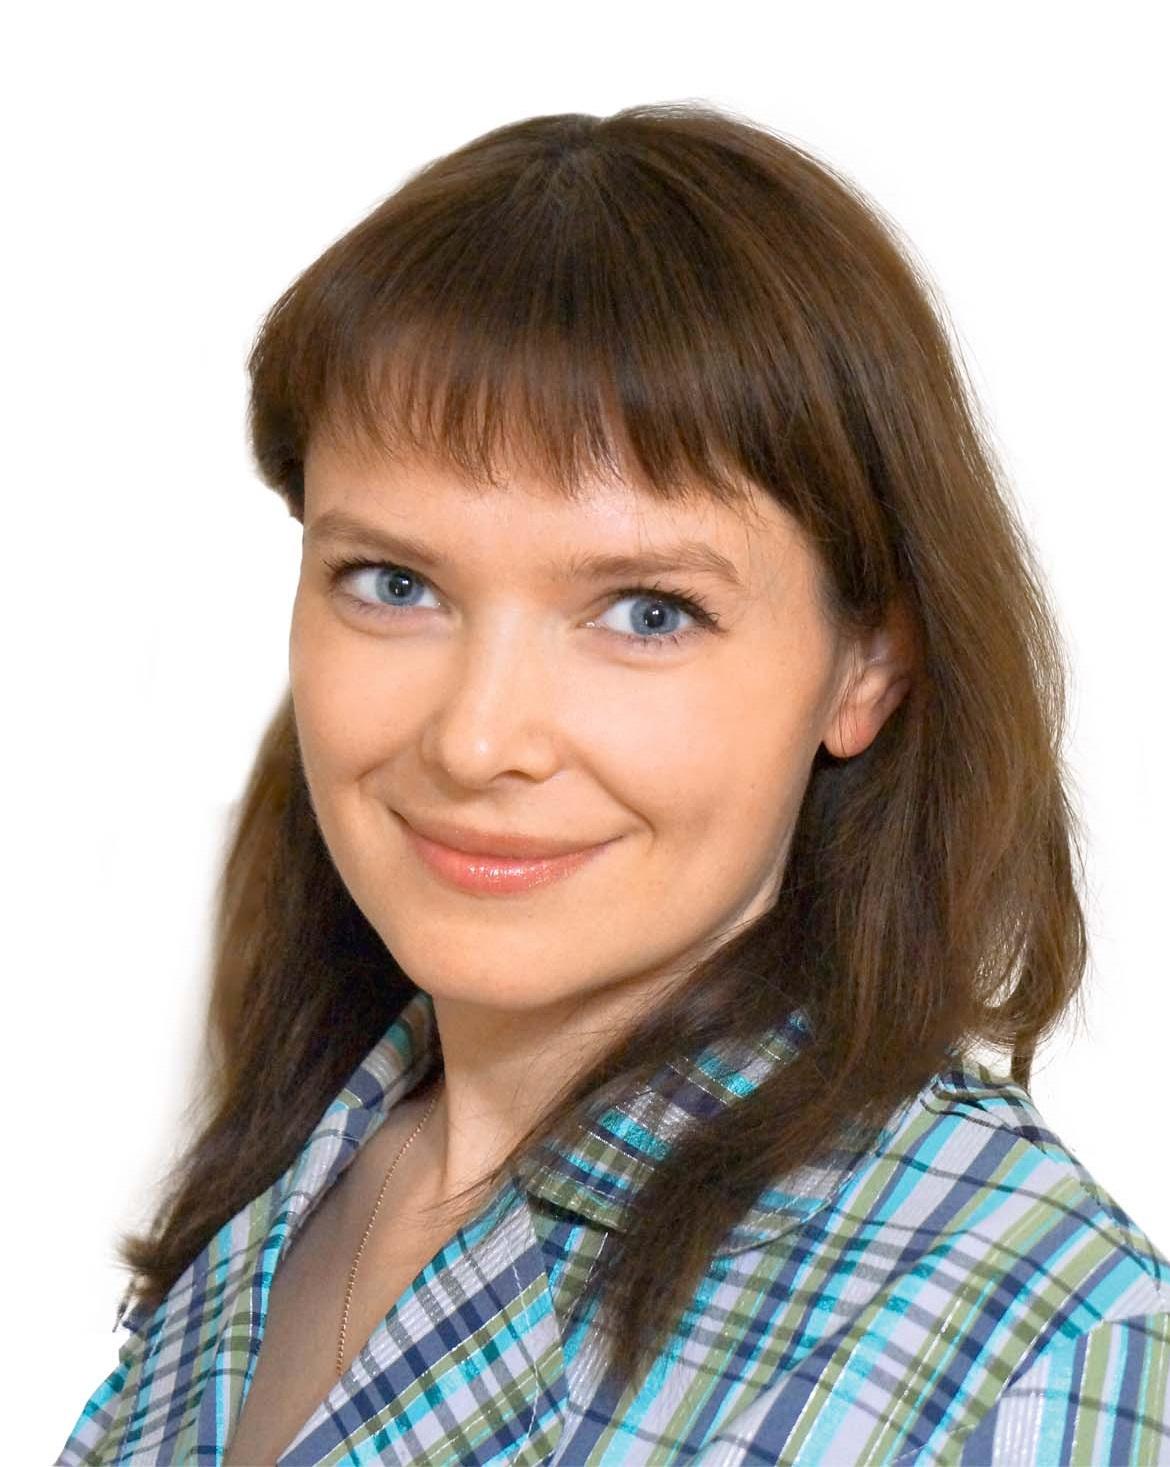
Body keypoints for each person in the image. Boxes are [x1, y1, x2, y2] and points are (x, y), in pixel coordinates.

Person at [59, 102, 1170, 1467]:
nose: (477, 741)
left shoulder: (1030, 1339)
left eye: (647, 613)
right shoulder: (283, 1192)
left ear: (866, 665)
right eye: (393, 584)